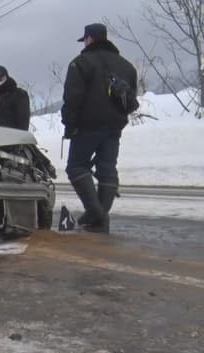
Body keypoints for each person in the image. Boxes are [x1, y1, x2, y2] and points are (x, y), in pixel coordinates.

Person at [61, 23, 138, 233]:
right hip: (114, 127)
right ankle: (99, 219)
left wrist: (69, 125)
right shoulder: (127, 66)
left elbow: (72, 98)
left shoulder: (80, 63)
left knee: (76, 167)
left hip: (87, 126)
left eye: (85, 39)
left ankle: (96, 213)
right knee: (107, 170)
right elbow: (131, 99)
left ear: (90, 39)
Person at [0, 65, 31, 131]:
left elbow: (23, 120)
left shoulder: (19, 94)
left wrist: (20, 137)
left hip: (12, 136)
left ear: (6, 77)